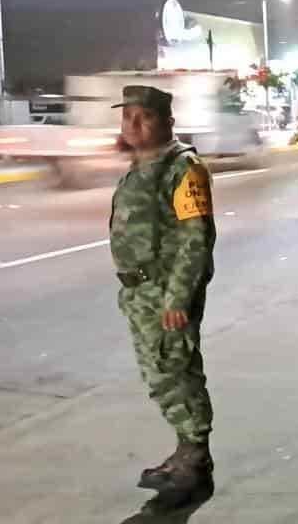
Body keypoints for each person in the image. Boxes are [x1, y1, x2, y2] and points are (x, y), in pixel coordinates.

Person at [109, 85, 217, 512]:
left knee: (177, 373)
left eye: (144, 117)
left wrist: (177, 299)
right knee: (160, 375)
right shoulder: (142, 165)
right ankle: (184, 451)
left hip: (164, 293)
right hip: (140, 293)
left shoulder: (183, 167)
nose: (133, 125)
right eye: (128, 117)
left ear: (167, 121)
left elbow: (196, 239)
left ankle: (194, 464)